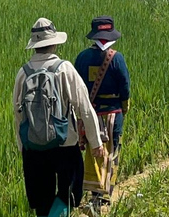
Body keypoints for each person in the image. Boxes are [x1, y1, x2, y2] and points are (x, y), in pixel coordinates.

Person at [13, 18, 105, 217]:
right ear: (54, 43)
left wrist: (22, 146)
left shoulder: (23, 72)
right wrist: (95, 141)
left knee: (41, 200)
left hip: (33, 147)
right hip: (65, 144)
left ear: (35, 46)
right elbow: (84, 108)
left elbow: (17, 113)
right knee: (70, 193)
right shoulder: (64, 68)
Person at [74, 16, 131, 204]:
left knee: (92, 152)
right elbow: (125, 88)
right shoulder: (117, 58)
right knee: (112, 152)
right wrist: (125, 106)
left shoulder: (82, 58)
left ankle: (92, 194)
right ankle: (104, 195)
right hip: (112, 114)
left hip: (88, 115)